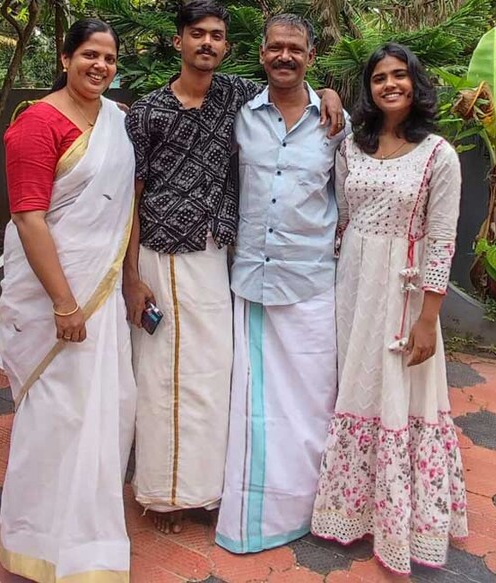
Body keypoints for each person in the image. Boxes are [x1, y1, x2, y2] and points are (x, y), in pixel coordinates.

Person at [123, 0, 344, 535]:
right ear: (177, 41)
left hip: (215, 256)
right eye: (196, 34)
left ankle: (203, 490)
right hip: (160, 252)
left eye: (217, 36)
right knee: (161, 377)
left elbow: (294, 88)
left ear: (228, 46)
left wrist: (331, 93)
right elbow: (130, 195)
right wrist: (131, 277)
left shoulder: (237, 97)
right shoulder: (147, 111)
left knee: (214, 376)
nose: (207, 43)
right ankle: (163, 492)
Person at [309, 43, 468, 574]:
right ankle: (353, 510)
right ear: (369, 88)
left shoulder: (439, 155)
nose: (390, 84)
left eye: (400, 75)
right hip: (354, 282)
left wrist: (429, 317)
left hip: (406, 292)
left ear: (414, 84)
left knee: (400, 391)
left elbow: (442, 241)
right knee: (357, 384)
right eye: (379, 77)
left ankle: (403, 521)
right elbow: (342, 217)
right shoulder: (352, 146)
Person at [0, 19, 137, 583]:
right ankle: (38, 545)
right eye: (88, 55)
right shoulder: (37, 124)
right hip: (58, 303)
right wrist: (63, 303)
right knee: (58, 417)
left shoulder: (116, 122)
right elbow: (29, 217)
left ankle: (91, 546)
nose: (99, 66)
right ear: (64, 57)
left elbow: (125, 207)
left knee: (109, 410)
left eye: (108, 58)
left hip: (102, 301)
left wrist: (128, 279)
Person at [215, 14, 347, 554]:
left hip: (313, 283)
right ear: (262, 54)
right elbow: (184, 95)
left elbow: (351, 199)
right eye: (276, 48)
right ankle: (254, 513)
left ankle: (319, 504)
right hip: (253, 282)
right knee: (254, 408)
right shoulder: (239, 112)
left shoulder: (336, 125)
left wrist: (334, 94)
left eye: (295, 48)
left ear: (311, 57)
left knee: (314, 403)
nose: (285, 56)